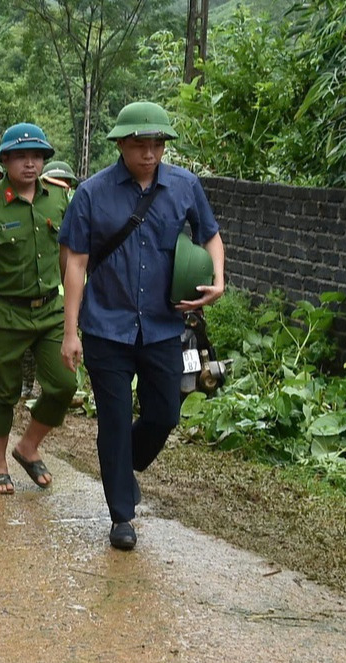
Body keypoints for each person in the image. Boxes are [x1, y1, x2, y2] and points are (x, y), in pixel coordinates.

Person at [58, 101, 225, 551]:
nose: (149, 153)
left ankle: (123, 464)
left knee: (165, 414)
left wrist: (219, 279)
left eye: (156, 144)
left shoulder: (185, 186)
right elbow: (74, 262)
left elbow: (209, 233)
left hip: (163, 325)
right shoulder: (92, 193)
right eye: (139, 145)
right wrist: (70, 331)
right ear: (120, 144)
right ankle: (121, 517)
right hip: (105, 327)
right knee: (113, 421)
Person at [0, 123, 75, 495]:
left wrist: (73, 317)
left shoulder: (58, 198)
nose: (30, 163)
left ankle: (28, 447)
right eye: (21, 156)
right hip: (4, 313)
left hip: (50, 311)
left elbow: (68, 257)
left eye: (37, 156)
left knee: (63, 384)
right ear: (5, 160)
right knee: (3, 391)